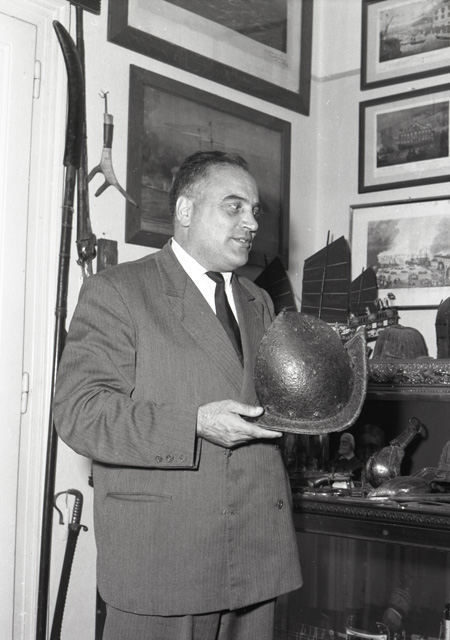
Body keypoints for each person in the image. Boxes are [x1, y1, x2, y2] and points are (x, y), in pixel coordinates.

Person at [53, 151, 302, 640]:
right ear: (186, 211)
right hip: (164, 563)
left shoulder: (259, 301)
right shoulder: (118, 290)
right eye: (234, 207)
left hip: (257, 558)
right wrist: (195, 424)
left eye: (254, 210)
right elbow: (79, 412)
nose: (252, 223)